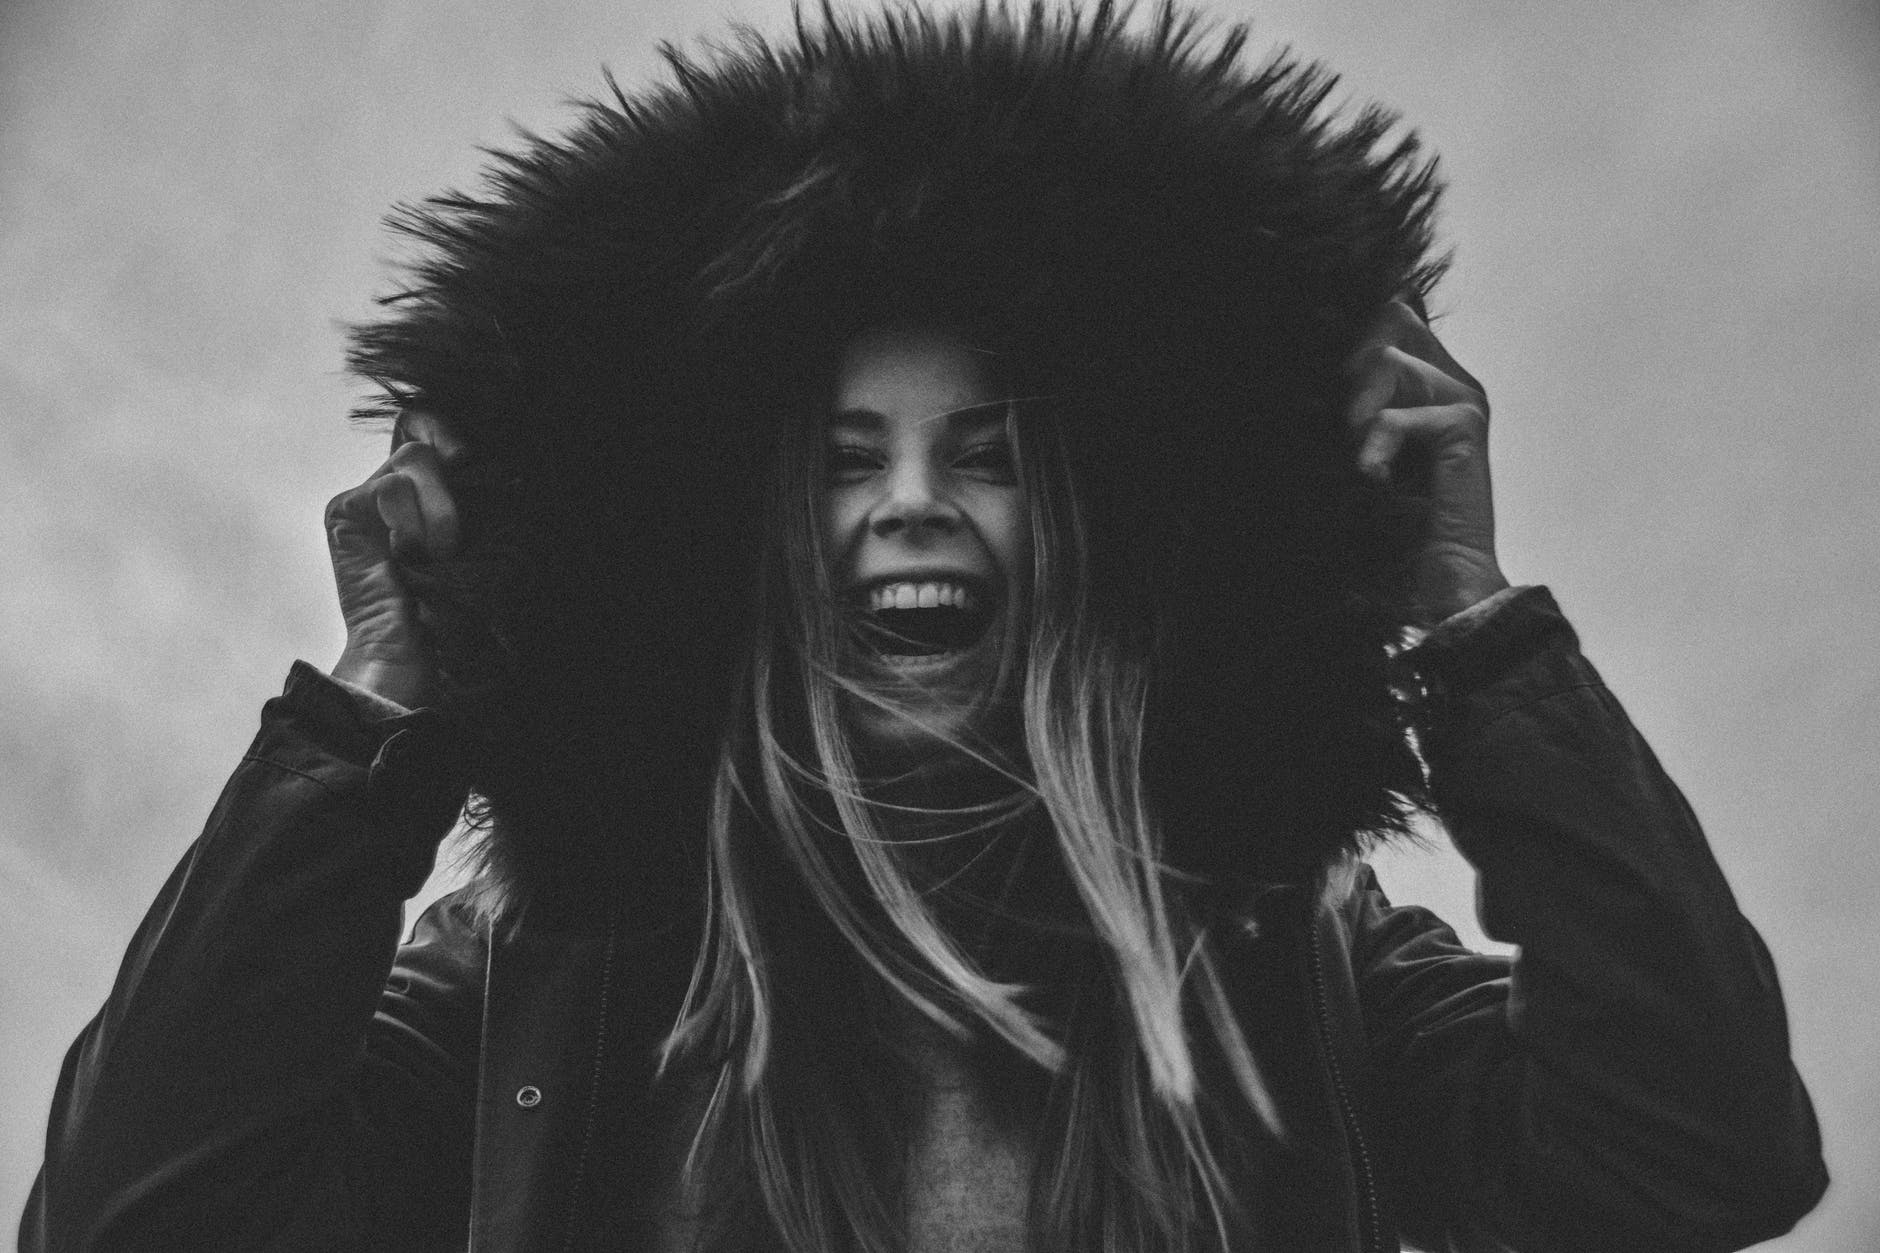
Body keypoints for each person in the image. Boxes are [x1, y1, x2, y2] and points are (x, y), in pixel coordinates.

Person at [22, 5, 1826, 1251]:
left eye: (987, 454)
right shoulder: (534, 978)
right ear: (754, 530)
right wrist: (387, 706)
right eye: (840, 459)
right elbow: (136, 1220)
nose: (909, 501)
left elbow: (1700, 1153)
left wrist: (1464, 616)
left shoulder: (1295, 961)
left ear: (1083, 530)